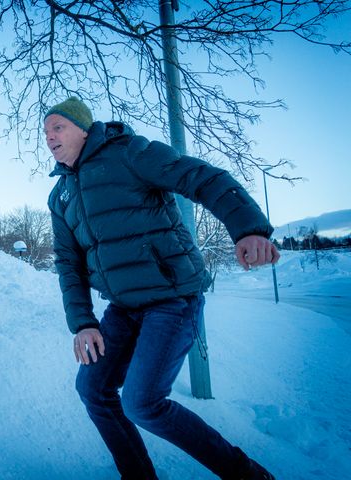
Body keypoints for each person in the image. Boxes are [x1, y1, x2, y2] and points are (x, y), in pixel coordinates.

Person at [45, 97, 280, 479]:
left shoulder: (129, 153)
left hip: (171, 299)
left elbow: (203, 178)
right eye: (46, 131)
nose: (50, 137)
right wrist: (83, 322)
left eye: (59, 127)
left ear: (84, 129)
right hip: (122, 307)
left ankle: (248, 475)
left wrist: (248, 229)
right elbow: (68, 264)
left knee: (142, 403)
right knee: (93, 389)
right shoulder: (61, 196)